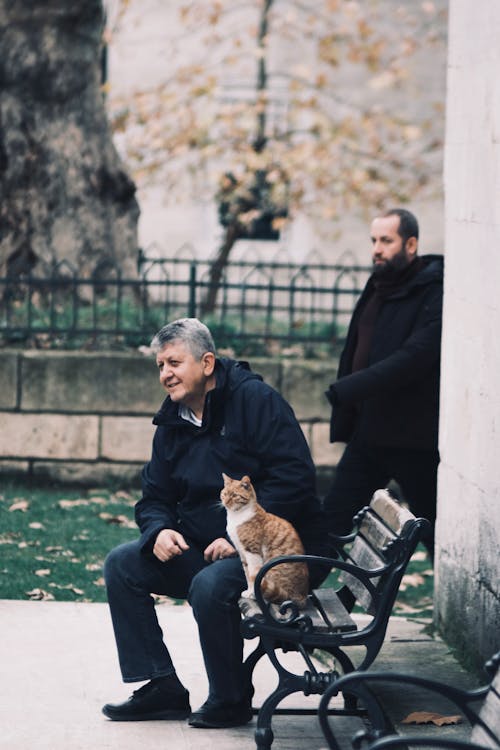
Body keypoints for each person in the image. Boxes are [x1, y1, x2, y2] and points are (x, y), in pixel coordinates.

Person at [102, 318, 329, 728]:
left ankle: (229, 699)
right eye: (160, 365)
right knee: (122, 564)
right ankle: (162, 687)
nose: (165, 374)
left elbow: (296, 479)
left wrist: (242, 535)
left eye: (174, 362)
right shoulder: (172, 420)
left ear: (207, 363)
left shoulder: (255, 401)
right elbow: (155, 495)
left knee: (210, 587)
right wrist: (158, 530)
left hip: (275, 553)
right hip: (205, 546)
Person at [323, 208, 443, 557]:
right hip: (370, 432)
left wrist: (349, 389)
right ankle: (296, 601)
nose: (377, 248)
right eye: (374, 240)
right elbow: (356, 346)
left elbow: (415, 356)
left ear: (411, 244)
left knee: (436, 531)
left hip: (413, 438)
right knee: (332, 519)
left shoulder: (432, 290)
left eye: (386, 241)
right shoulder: (380, 285)